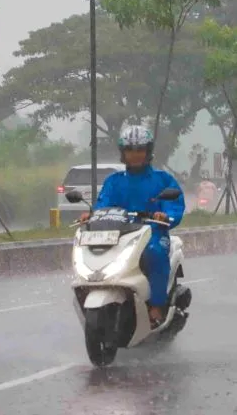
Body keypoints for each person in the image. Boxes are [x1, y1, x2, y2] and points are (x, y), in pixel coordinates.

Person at [79, 125, 185, 328]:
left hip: (153, 233)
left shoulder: (163, 180)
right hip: (120, 235)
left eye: (139, 150)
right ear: (123, 153)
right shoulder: (114, 182)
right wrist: (91, 215)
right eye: (129, 150)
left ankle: (157, 305)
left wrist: (165, 216)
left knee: (155, 252)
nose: (134, 155)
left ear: (148, 151)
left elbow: (174, 206)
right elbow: (103, 205)